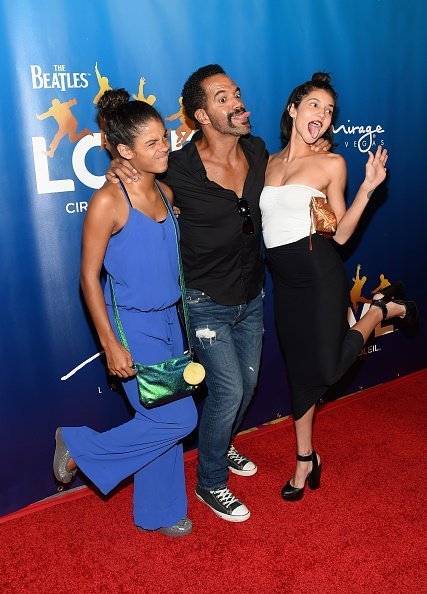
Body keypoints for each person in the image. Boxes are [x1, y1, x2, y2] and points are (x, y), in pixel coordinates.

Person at [106, 65, 330, 522]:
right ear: (201, 115)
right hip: (205, 301)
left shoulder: (258, 149)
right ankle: (210, 482)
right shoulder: (181, 167)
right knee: (227, 392)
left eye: (237, 93)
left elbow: (292, 171)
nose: (237, 102)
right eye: (223, 97)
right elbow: (145, 189)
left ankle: (221, 443)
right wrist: (121, 166)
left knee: (245, 386)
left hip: (252, 294)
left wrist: (316, 151)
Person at [260, 72, 417, 501]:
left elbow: (343, 234)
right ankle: (304, 460)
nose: (323, 116)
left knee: (327, 370)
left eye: (329, 111)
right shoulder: (268, 162)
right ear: (293, 109)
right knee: (300, 376)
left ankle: (382, 310)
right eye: (314, 105)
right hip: (284, 279)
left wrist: (367, 188)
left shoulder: (332, 164)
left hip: (319, 272)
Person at [53, 89, 197, 537]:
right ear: (124, 151)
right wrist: (110, 342)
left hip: (171, 322)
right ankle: (77, 443)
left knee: (160, 416)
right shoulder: (107, 202)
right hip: (131, 325)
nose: (166, 147)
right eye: (152, 143)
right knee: (180, 417)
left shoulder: (166, 189)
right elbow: (87, 278)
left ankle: (160, 509)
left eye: (165, 137)